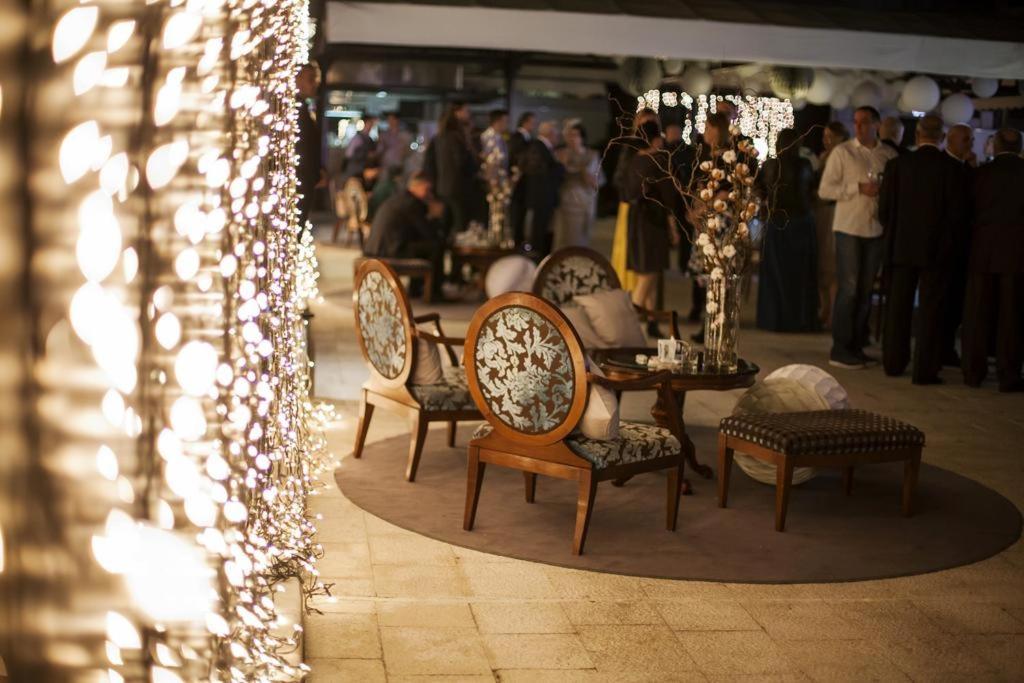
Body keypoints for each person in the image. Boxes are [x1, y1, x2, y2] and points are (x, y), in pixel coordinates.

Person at [878, 114, 969, 384]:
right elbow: (957, 216)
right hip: (937, 250)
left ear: (916, 135)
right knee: (931, 309)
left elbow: (884, 211)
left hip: (901, 245)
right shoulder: (952, 169)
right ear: (942, 137)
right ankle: (924, 370)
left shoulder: (897, 165)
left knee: (898, 307)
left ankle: (893, 362)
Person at [818, 105, 899, 369]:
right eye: (856, 122)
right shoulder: (844, 153)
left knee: (865, 291)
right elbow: (825, 190)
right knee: (849, 289)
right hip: (848, 228)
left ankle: (856, 345)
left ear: (877, 125)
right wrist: (856, 188)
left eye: (864, 122)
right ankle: (840, 348)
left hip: (875, 228)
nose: (859, 127)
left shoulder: (887, 155)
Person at [962, 127, 1024, 392]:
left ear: (995, 147)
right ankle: (1008, 374)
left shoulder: (980, 175)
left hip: (982, 251)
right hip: (1017, 252)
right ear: (1019, 147)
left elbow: (965, 213)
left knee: (977, 313)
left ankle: (973, 372)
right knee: (1011, 316)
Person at [622, 120, 683, 332]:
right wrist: (673, 228)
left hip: (635, 219)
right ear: (656, 139)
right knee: (650, 273)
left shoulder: (633, 161)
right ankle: (629, 321)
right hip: (653, 221)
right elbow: (668, 199)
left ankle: (652, 321)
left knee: (646, 273)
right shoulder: (658, 160)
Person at [756, 128, 819, 332]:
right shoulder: (805, 165)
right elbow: (812, 191)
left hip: (777, 222)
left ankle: (774, 319)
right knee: (799, 274)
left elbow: (759, 190)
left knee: (776, 273)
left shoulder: (769, 165)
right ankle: (798, 319)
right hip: (800, 222)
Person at [364, 172, 447, 300]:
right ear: (418, 186)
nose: (429, 194)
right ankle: (433, 293)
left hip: (374, 248)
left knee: (421, 247)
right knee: (436, 246)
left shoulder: (399, 198)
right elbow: (429, 233)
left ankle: (416, 289)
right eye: (427, 189)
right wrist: (436, 216)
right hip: (390, 251)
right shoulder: (412, 203)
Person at [611, 108, 659, 293]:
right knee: (632, 256)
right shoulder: (631, 147)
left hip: (652, 209)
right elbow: (620, 178)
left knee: (649, 265)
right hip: (632, 206)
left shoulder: (658, 145)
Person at [942, 122, 977, 366]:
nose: (970, 145)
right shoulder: (945, 167)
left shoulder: (966, 168)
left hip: (963, 246)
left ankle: (947, 348)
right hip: (945, 245)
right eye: (966, 140)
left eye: (971, 141)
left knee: (955, 302)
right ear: (951, 140)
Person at [423, 101, 479, 235]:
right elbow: (462, 163)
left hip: (442, 189)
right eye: (466, 111)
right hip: (458, 189)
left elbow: (429, 164)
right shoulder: (456, 138)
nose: (468, 114)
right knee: (459, 228)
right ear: (457, 112)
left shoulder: (439, 137)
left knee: (445, 227)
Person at [814, 121, 849, 329]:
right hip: (820, 212)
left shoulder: (842, 156)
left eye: (830, 136)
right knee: (822, 265)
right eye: (824, 136)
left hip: (833, 212)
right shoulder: (823, 157)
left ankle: (832, 314)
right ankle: (824, 308)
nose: (826, 140)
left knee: (832, 265)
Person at [552, 120, 603, 250]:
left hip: (586, 201)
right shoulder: (560, 154)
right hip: (567, 202)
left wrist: (582, 170)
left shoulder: (592, 155)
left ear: (582, 137)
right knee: (565, 240)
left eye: (575, 135)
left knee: (582, 239)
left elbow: (596, 181)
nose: (572, 138)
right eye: (569, 135)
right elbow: (556, 178)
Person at [518, 121, 564, 255]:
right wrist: (560, 166)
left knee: (542, 229)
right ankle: (536, 256)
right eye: (556, 134)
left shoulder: (543, 147)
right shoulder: (537, 147)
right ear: (550, 134)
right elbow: (541, 172)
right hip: (541, 197)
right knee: (538, 229)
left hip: (544, 197)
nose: (558, 137)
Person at [295, 62, 326, 231]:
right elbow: (304, 147)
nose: (315, 84)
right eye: (311, 79)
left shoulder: (303, 108)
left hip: (304, 180)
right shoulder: (297, 109)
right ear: (297, 79)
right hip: (301, 180)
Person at [508, 112, 536, 245]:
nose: (534, 125)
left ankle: (518, 239)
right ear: (525, 122)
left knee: (521, 214)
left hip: (523, 184)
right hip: (519, 183)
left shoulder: (526, 138)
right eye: (532, 122)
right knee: (517, 213)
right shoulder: (518, 138)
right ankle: (516, 240)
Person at [343, 114, 378, 181]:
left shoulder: (370, 140)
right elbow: (348, 154)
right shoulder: (357, 138)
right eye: (369, 123)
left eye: (372, 123)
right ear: (365, 123)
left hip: (364, 171)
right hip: (355, 170)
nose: (370, 125)